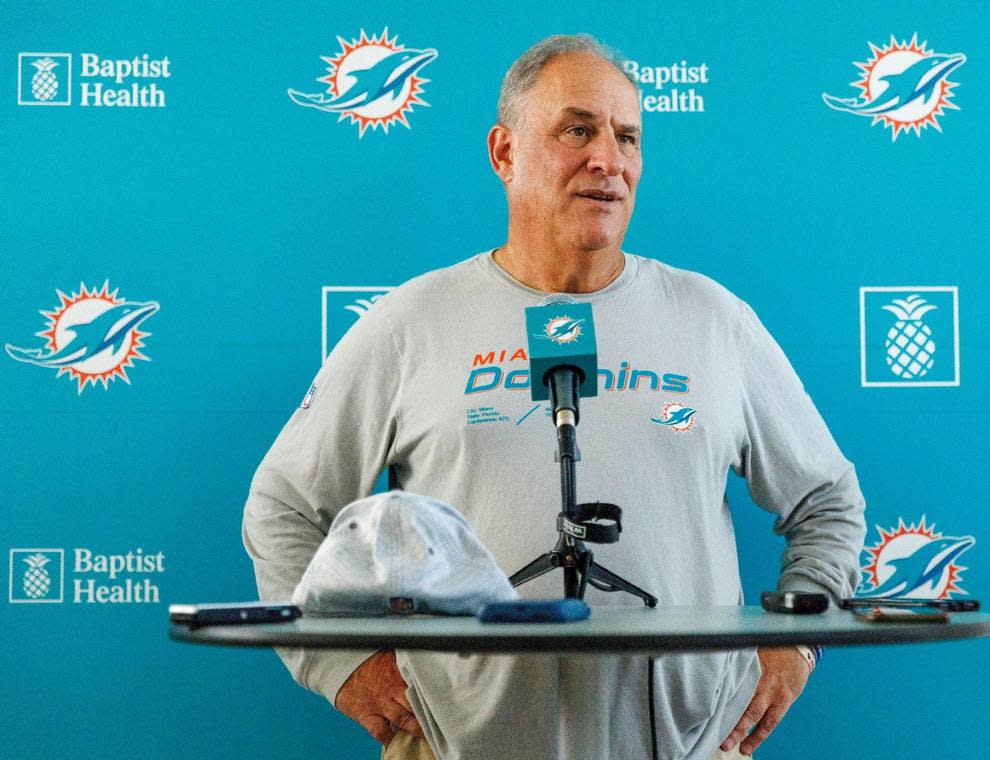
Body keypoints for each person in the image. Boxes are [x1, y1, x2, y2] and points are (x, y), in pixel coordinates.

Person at [242, 34, 866, 760]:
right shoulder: (412, 322)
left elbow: (828, 501)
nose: (609, 159)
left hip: (690, 745)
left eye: (626, 136)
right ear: (504, 153)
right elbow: (284, 506)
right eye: (577, 130)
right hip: (457, 747)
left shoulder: (712, 320)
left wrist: (795, 649)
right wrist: (343, 666)